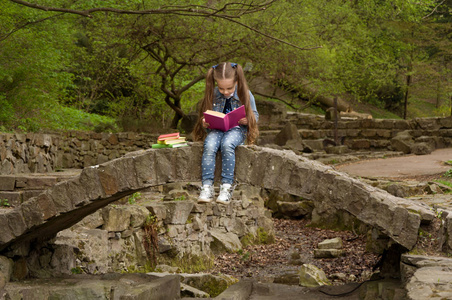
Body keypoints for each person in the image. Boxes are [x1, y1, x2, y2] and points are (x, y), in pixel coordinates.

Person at [192, 62, 259, 204]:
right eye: (221, 88)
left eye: (229, 88)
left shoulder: (245, 94)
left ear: (236, 81)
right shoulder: (214, 94)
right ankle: (207, 186)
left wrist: (248, 120)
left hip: (237, 129)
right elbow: (206, 115)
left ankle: (226, 187)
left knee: (227, 144)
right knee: (209, 145)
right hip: (217, 129)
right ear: (216, 83)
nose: (226, 92)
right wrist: (205, 122)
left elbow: (255, 116)